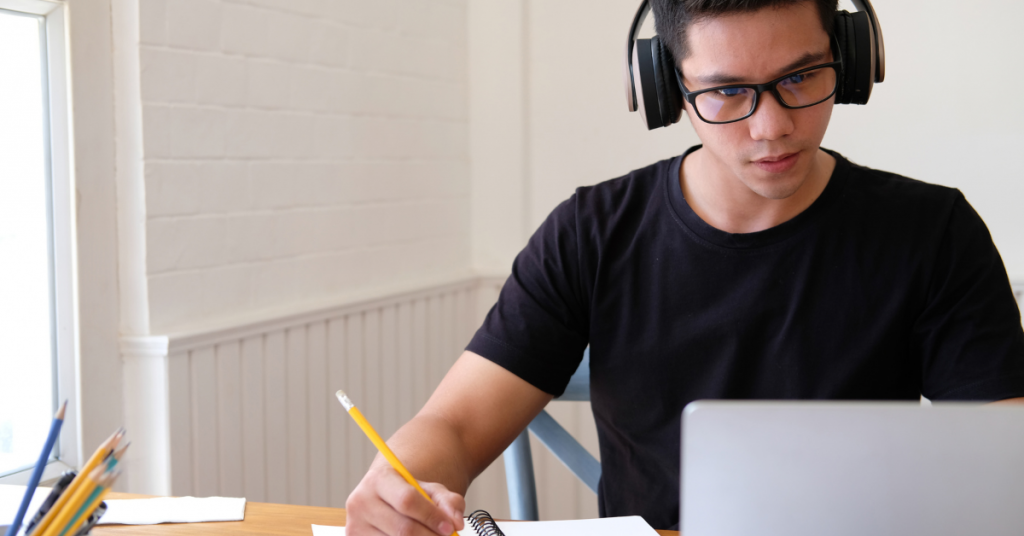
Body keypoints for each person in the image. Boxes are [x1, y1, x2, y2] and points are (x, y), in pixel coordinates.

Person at [344, 0, 1024, 533]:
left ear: (847, 60)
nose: (771, 127)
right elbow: (454, 427)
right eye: (726, 92)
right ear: (668, 89)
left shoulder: (935, 234)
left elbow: (1006, 464)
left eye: (799, 76)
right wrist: (397, 487)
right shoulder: (590, 234)